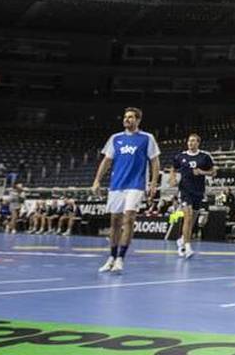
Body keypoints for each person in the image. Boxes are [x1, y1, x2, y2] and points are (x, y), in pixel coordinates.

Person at [92, 107, 161, 274]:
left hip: (136, 184)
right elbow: (107, 161)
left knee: (129, 218)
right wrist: (97, 180)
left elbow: (155, 161)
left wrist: (153, 182)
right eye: (125, 116)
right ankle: (112, 257)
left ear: (138, 120)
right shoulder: (115, 138)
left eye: (131, 117)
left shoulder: (147, 138)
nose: (127, 119)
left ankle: (121, 259)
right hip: (117, 185)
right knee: (115, 221)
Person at [169, 133, 215, 259]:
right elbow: (173, 168)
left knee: (192, 219)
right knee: (188, 217)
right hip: (185, 191)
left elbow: (213, 172)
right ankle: (188, 246)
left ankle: (182, 240)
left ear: (198, 143)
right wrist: (172, 179)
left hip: (198, 191)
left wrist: (202, 172)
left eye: (193, 141)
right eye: (189, 141)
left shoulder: (204, 157)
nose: (190, 143)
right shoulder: (181, 156)